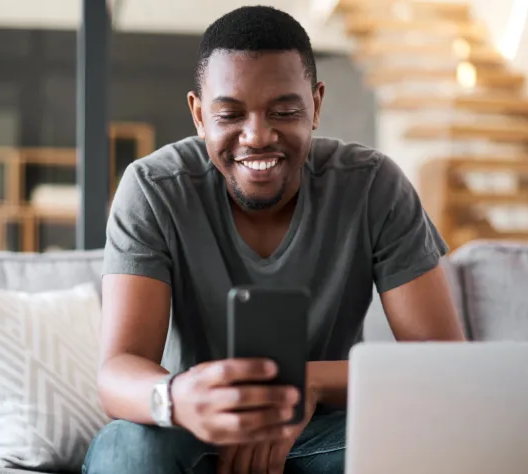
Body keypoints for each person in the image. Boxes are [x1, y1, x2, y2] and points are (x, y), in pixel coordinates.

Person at [83, 5, 465, 474]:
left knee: (426, 442)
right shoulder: (153, 188)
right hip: (194, 428)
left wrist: (308, 384)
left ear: (317, 105)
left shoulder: (372, 186)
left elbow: (443, 368)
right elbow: (119, 368)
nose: (258, 136)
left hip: (327, 433)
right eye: (230, 114)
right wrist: (179, 398)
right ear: (199, 115)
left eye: (284, 111)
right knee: (127, 450)